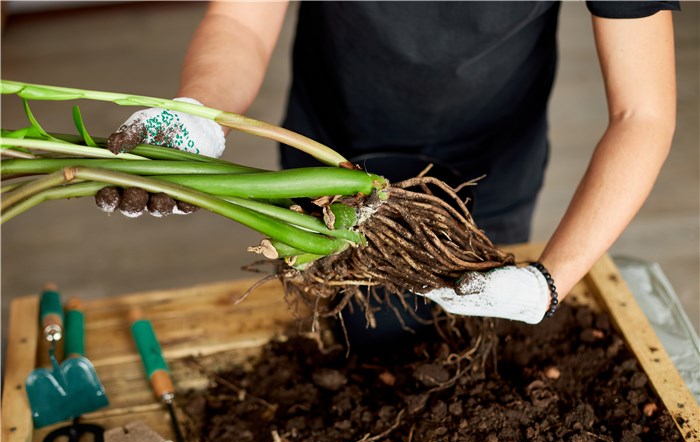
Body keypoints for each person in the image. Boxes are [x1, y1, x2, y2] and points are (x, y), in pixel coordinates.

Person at [106, 1, 679, 325]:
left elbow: (642, 114)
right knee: (338, 331)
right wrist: (200, 110)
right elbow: (240, 22)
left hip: (488, 173)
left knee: (466, 337)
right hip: (328, 161)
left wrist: (551, 281)